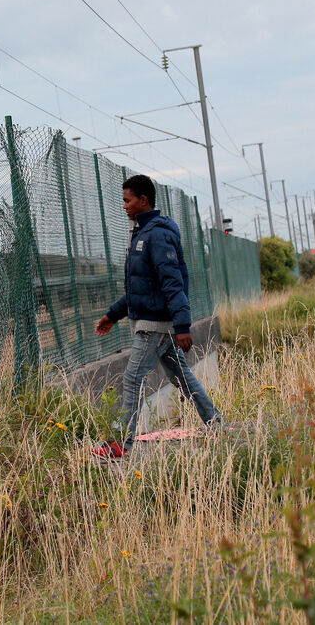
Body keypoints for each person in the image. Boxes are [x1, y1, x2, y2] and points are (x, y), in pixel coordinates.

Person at [91, 175, 223, 460]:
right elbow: (142, 288)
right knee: (183, 379)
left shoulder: (158, 234)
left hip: (156, 326)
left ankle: (121, 444)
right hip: (155, 322)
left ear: (143, 200)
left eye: (127, 201)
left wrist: (183, 325)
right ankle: (216, 424)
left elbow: (172, 282)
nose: (124, 206)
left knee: (132, 378)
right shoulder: (142, 233)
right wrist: (113, 315)